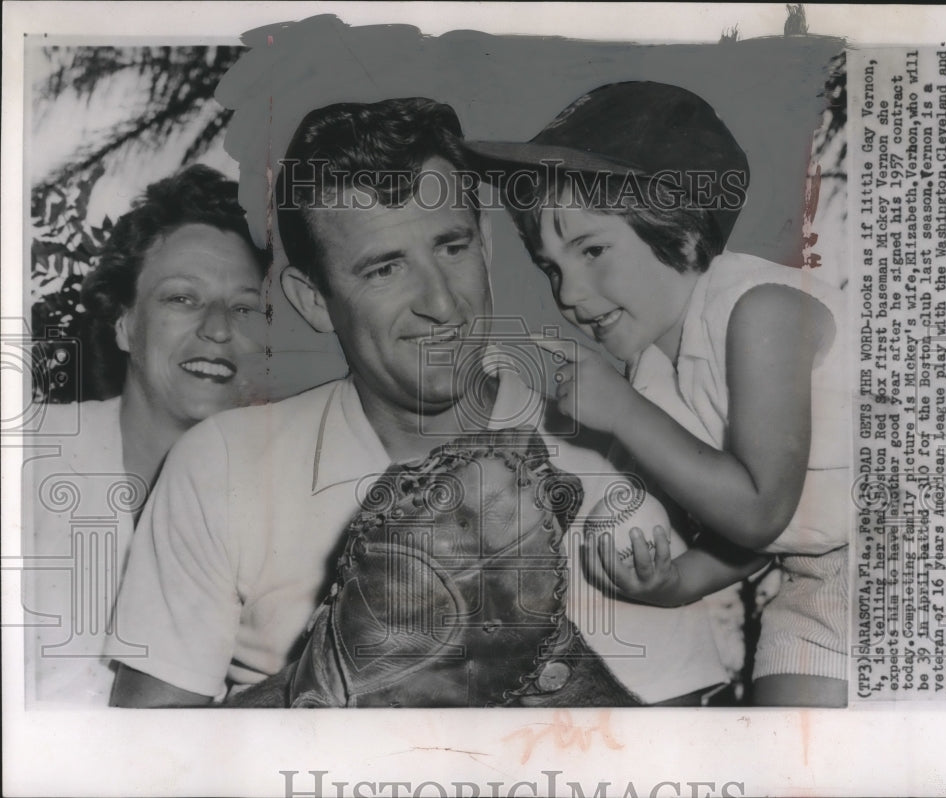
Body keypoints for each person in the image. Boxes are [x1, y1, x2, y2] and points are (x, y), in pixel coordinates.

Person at [108, 97, 729, 707]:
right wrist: (340, 671)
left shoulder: (626, 451)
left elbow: (674, 757)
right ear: (314, 300)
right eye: (384, 269)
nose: (440, 301)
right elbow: (151, 759)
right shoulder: (221, 464)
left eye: (452, 247)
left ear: (485, 243)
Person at [465, 81, 850, 706]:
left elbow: (761, 508)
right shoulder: (650, 373)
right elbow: (760, 524)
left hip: (931, 553)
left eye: (592, 249)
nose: (567, 293)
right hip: (815, 579)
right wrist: (677, 582)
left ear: (685, 232)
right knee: (782, 755)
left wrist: (625, 415)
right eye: (551, 266)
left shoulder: (762, 312)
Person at [24, 165, 269, 706]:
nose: (219, 327)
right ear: (124, 323)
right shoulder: (30, 458)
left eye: (246, 308)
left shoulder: (290, 500)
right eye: (182, 298)